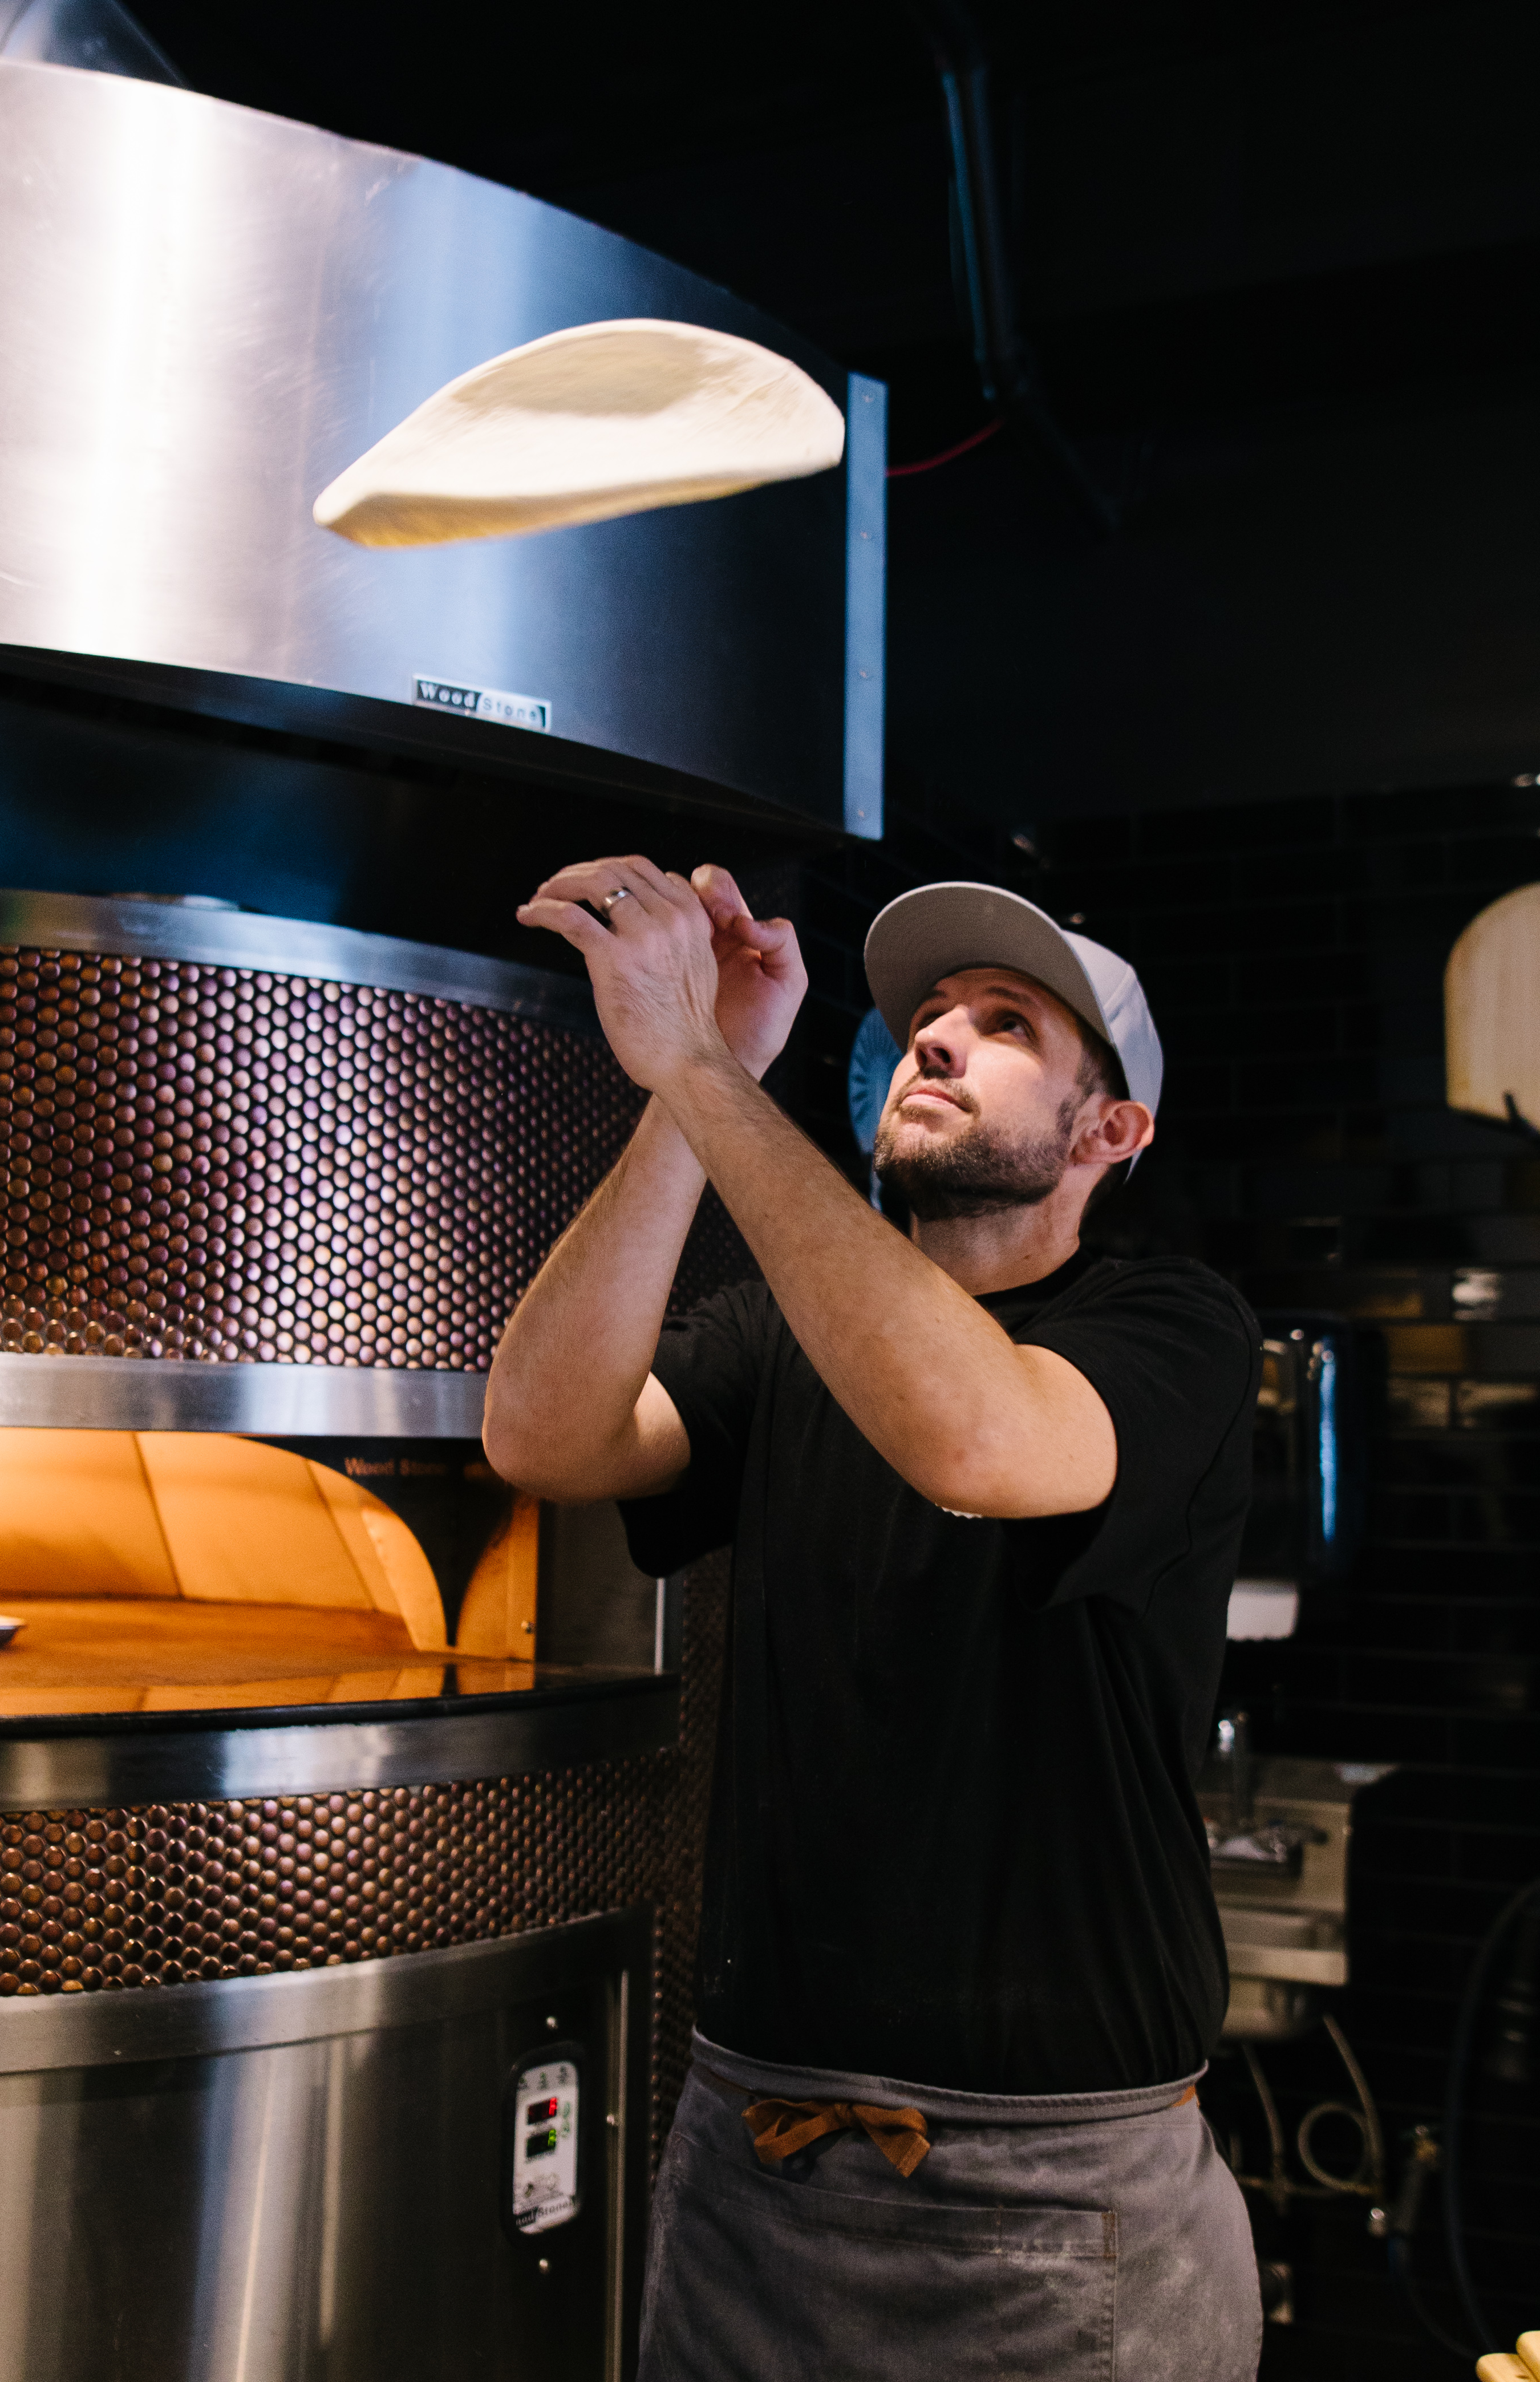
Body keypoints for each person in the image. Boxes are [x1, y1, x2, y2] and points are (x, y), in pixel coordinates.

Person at [483, 856, 1265, 2382]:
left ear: (1115, 1131)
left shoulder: (1170, 1328)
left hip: (1059, 2202)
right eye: (927, 1015)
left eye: (1008, 1022)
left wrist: (703, 1067)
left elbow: (978, 1439)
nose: (937, 1036)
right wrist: (694, 1085)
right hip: (752, 2165)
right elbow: (544, 1437)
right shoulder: (781, 1331)